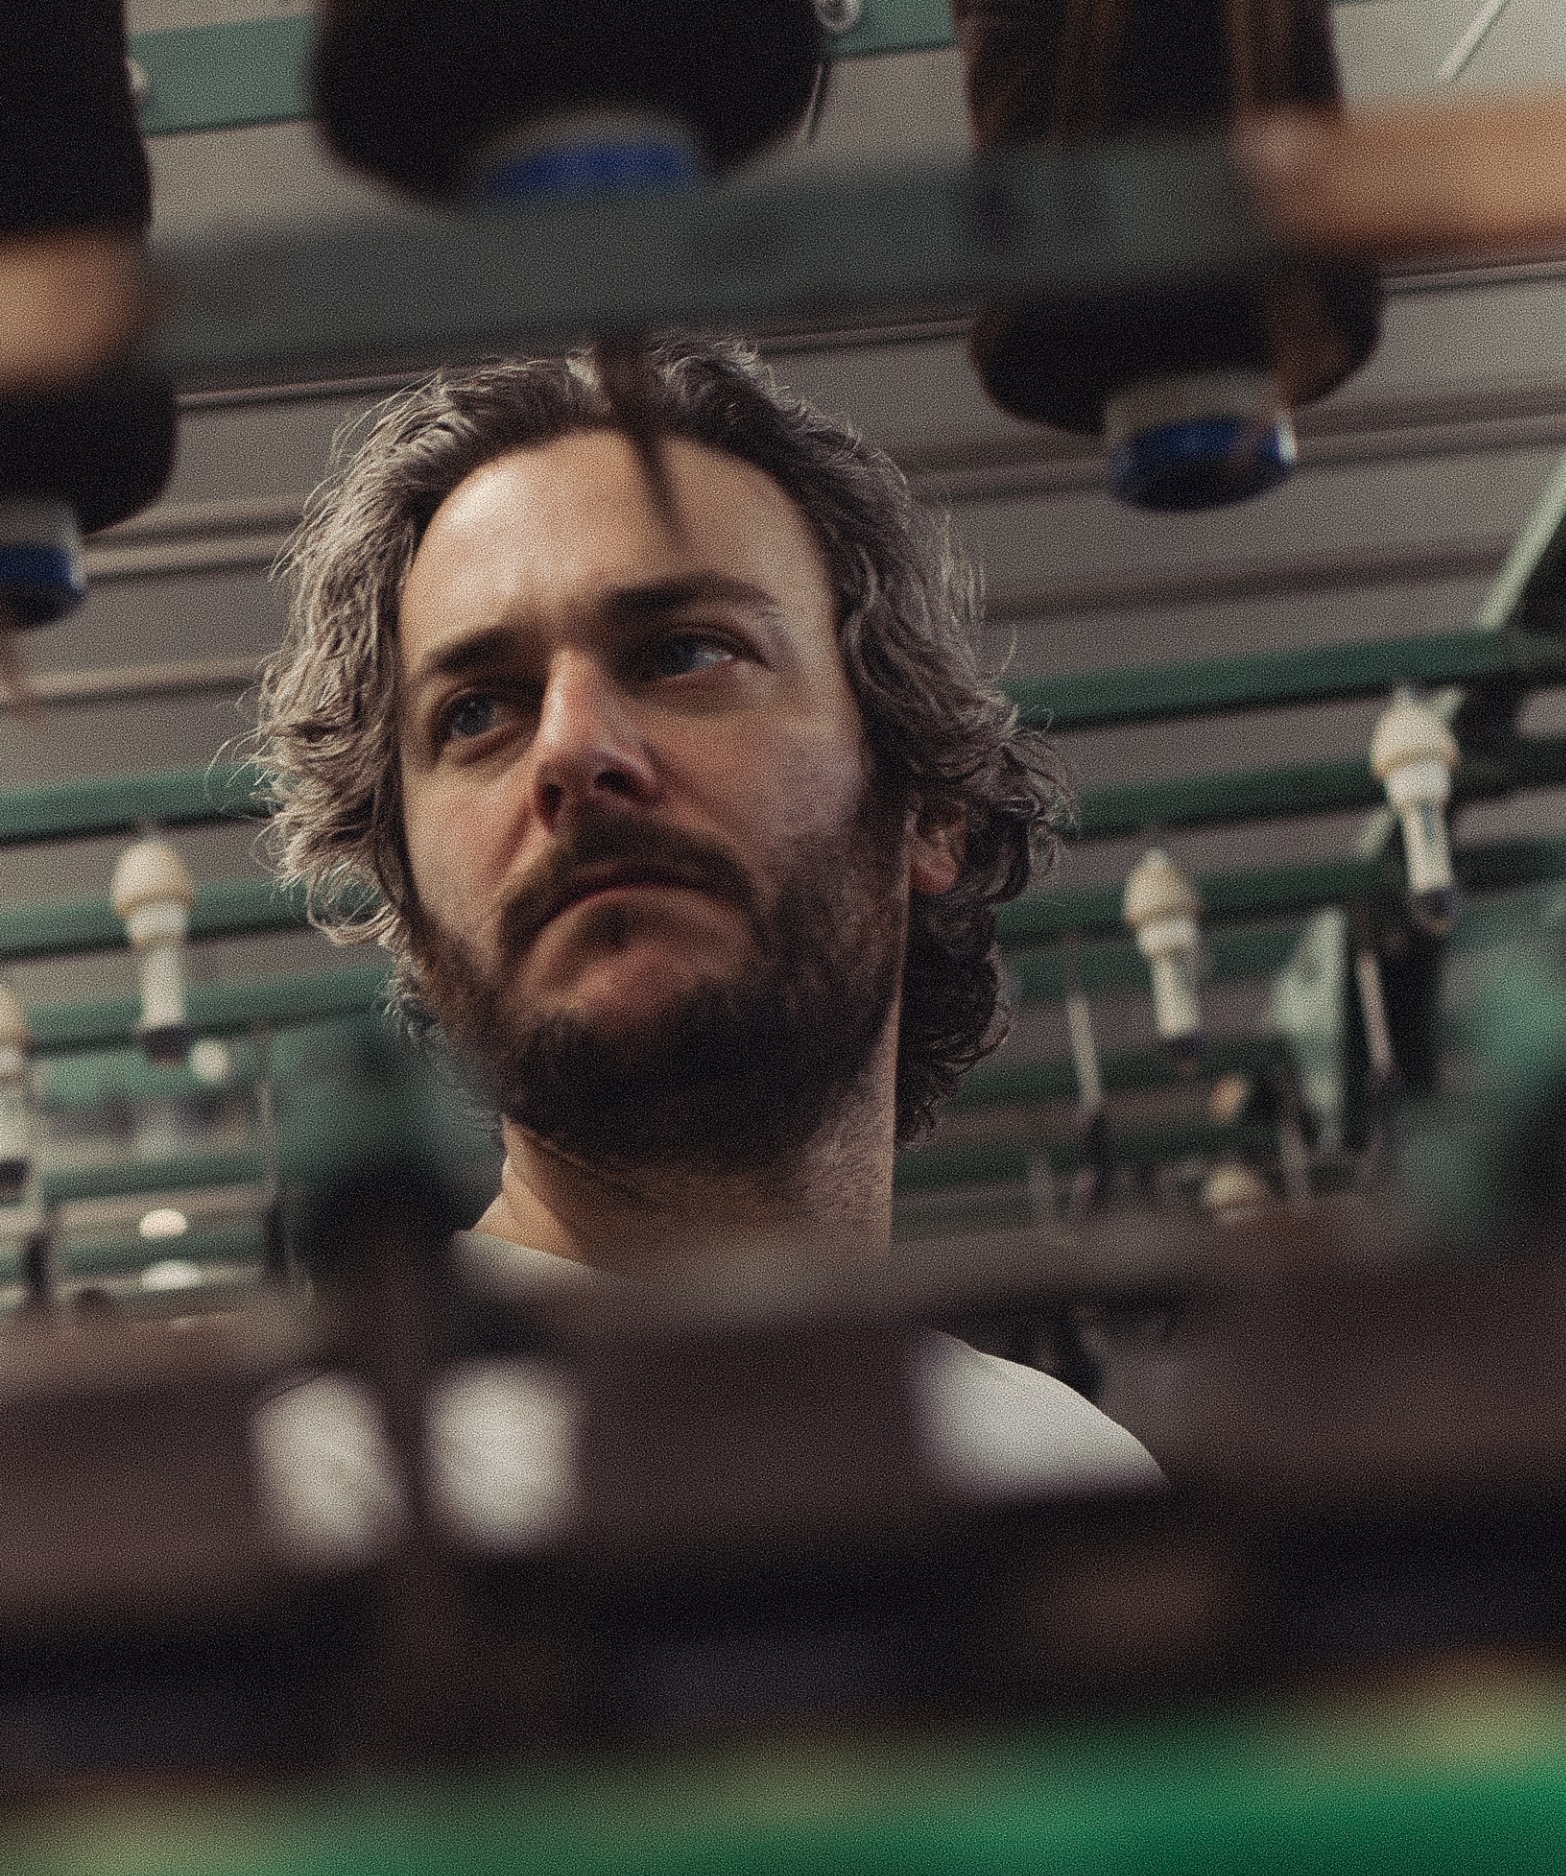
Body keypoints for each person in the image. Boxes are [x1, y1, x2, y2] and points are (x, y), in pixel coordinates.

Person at [252, 336, 1157, 1496]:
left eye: (682, 652)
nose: (572, 749)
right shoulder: (318, 1491)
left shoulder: (1068, 1473)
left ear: (924, 804)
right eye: (476, 710)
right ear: (409, 908)